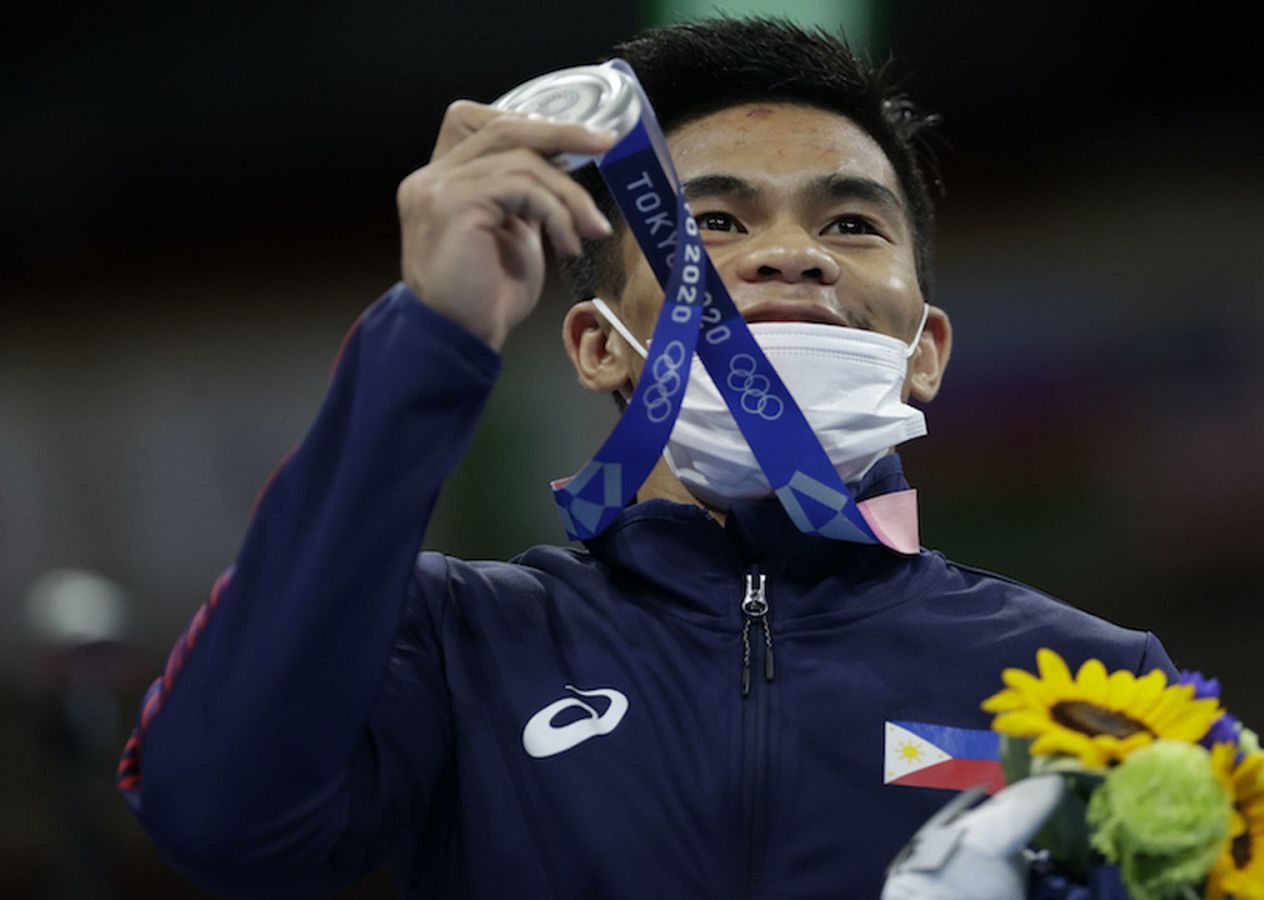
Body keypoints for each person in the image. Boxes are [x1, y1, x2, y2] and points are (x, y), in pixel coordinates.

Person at [118, 17, 1177, 899]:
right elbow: (219, 818)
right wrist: (429, 339)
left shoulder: (1097, 685)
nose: (789, 252)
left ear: (926, 354)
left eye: (851, 222)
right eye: (711, 219)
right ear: (595, 347)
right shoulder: (461, 644)